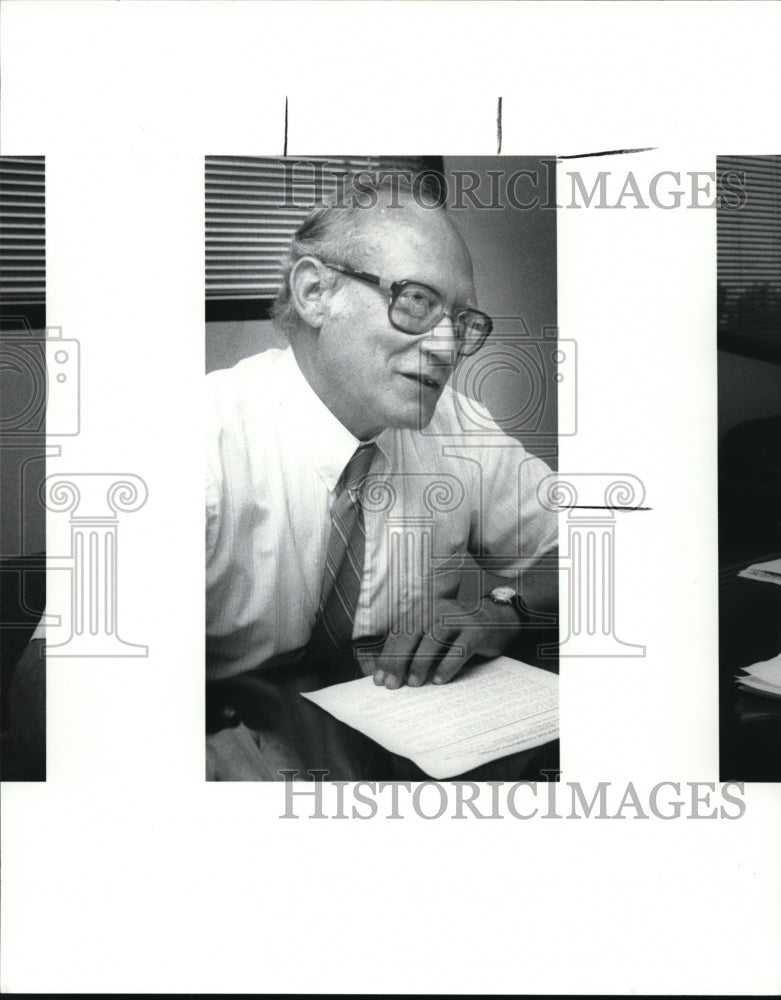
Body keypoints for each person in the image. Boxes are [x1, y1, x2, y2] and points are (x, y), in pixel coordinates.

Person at [205, 171, 558, 781]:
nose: (447, 347)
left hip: (408, 759)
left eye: (463, 319)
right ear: (316, 292)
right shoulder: (197, 441)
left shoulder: (457, 429)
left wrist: (504, 613)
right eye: (418, 301)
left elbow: (601, 552)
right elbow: (50, 708)